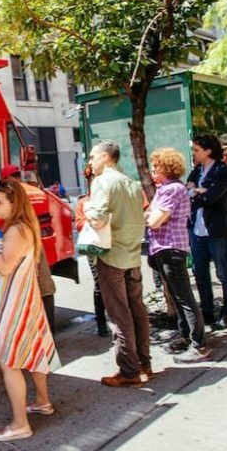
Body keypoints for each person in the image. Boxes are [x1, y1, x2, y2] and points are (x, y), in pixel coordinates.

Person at [0, 179, 60, 441]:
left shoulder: (16, 231)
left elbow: (5, 267)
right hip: (25, 302)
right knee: (35, 353)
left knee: (9, 363)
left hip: (15, 307)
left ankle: (20, 424)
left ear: (14, 203)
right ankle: (43, 401)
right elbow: (10, 259)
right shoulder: (22, 228)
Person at [83, 140, 150, 388]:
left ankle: (129, 371)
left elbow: (98, 220)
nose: (90, 161)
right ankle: (144, 363)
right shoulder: (131, 183)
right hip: (132, 255)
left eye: (92, 157)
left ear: (104, 157)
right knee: (137, 310)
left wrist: (88, 208)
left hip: (112, 255)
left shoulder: (103, 182)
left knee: (120, 315)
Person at [145, 148, 211, 363]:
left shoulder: (171, 189)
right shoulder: (166, 188)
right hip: (165, 247)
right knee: (177, 295)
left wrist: (148, 217)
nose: (153, 171)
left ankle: (198, 344)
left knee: (184, 297)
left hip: (170, 247)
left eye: (156, 168)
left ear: (167, 168)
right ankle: (185, 335)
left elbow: (155, 220)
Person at [187, 135, 227, 331]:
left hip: (217, 229)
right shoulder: (197, 170)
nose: (194, 153)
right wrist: (197, 192)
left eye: (197, 149)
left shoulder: (222, 170)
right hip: (197, 230)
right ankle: (207, 311)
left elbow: (212, 198)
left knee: (223, 271)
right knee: (200, 272)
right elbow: (188, 191)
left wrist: (198, 193)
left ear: (208, 151)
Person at [0, 163, 57, 334]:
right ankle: (50, 334)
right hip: (36, 240)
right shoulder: (35, 191)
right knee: (45, 286)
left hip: (22, 242)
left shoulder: (13, 196)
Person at [75, 165, 109, 337]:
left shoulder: (110, 198)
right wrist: (91, 219)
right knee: (99, 284)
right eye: (91, 179)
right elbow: (79, 224)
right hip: (94, 248)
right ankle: (102, 323)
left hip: (112, 246)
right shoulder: (83, 203)